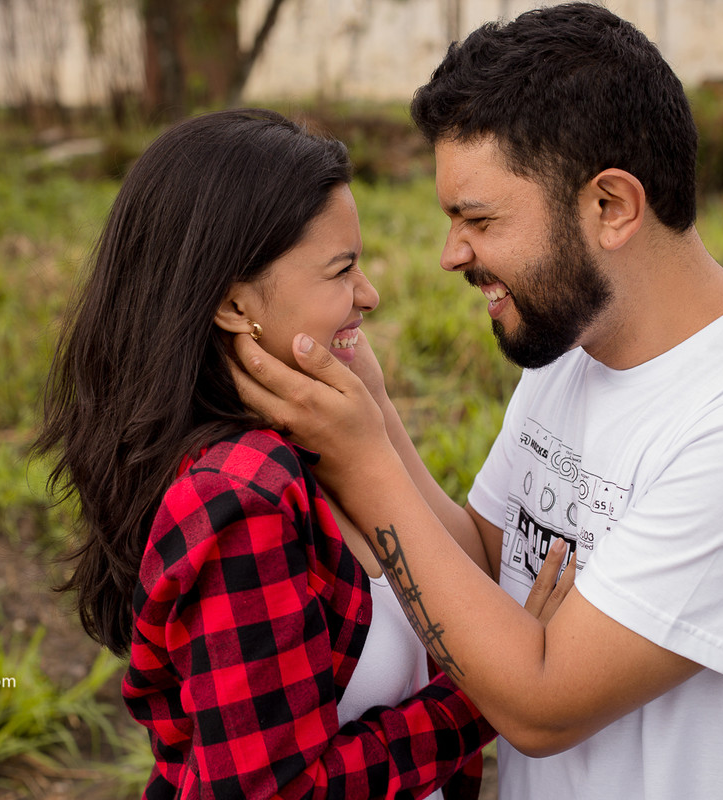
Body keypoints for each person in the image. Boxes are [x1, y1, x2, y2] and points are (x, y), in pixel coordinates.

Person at [231, 4, 723, 799]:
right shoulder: (570, 353)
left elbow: (542, 704)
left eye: (477, 219)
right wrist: (376, 415)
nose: (451, 255)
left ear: (610, 206)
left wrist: (362, 462)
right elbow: (483, 566)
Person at [32, 108, 504, 799]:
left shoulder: (321, 442)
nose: (368, 295)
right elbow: (277, 792)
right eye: (341, 270)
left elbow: (457, 576)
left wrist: (376, 418)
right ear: (230, 305)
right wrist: (485, 697)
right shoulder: (242, 497)